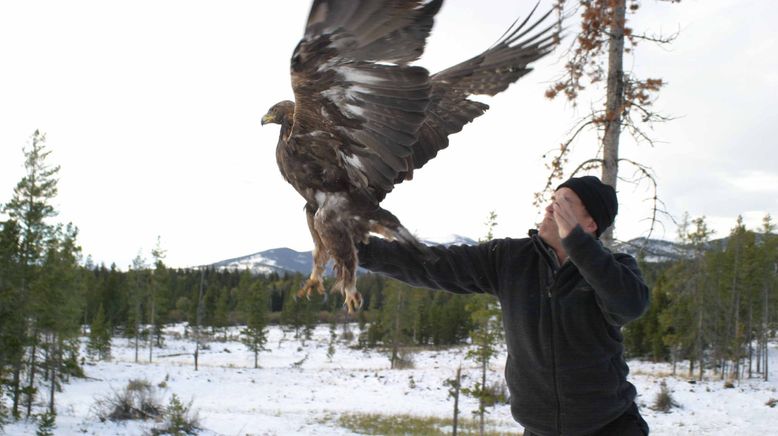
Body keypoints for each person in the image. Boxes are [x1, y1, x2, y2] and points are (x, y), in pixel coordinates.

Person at [357, 175, 651, 436]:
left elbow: (629, 305)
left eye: (564, 203)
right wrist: (357, 248)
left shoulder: (614, 268)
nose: (550, 208)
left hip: (610, 426)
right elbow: (434, 264)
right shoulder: (511, 258)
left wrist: (577, 243)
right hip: (540, 429)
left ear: (590, 224)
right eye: (552, 200)